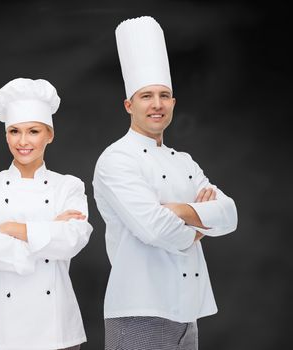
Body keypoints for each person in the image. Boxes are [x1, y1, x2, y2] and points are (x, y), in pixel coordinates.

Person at [93, 16, 238, 350]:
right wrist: (201, 224)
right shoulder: (117, 159)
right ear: (129, 105)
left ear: (173, 103)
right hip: (138, 310)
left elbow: (229, 214)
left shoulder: (184, 161)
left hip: (188, 310)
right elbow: (155, 229)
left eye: (164, 95)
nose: (156, 104)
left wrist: (178, 210)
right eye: (146, 96)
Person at [0, 78, 92, 350]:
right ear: (6, 135)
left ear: (49, 134)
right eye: (14, 131)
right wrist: (49, 231)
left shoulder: (68, 185)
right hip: (2, 332)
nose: (23, 141)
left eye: (33, 131)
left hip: (57, 331)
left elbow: (73, 240)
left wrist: (12, 228)